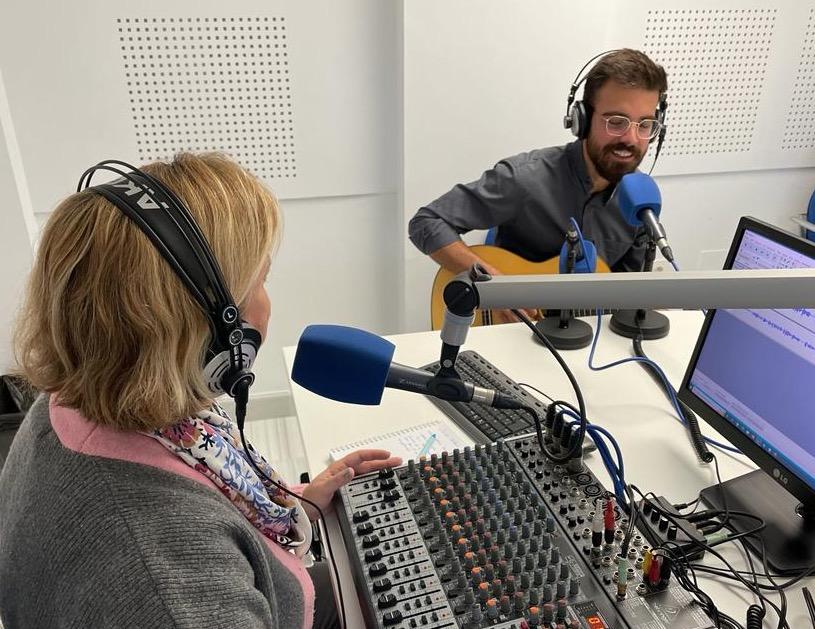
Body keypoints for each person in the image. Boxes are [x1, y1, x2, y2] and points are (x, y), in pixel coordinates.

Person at [0, 152, 401, 628]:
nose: (267, 302)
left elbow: (203, 500)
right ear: (211, 331)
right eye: (260, 281)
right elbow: (179, 564)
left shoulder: (72, 401)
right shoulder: (171, 581)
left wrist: (302, 502)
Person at [409, 49, 668, 321]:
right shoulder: (526, 178)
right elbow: (426, 223)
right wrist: (493, 287)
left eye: (645, 125)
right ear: (582, 119)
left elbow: (626, 304)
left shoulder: (641, 204)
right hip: (506, 334)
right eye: (616, 122)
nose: (631, 139)